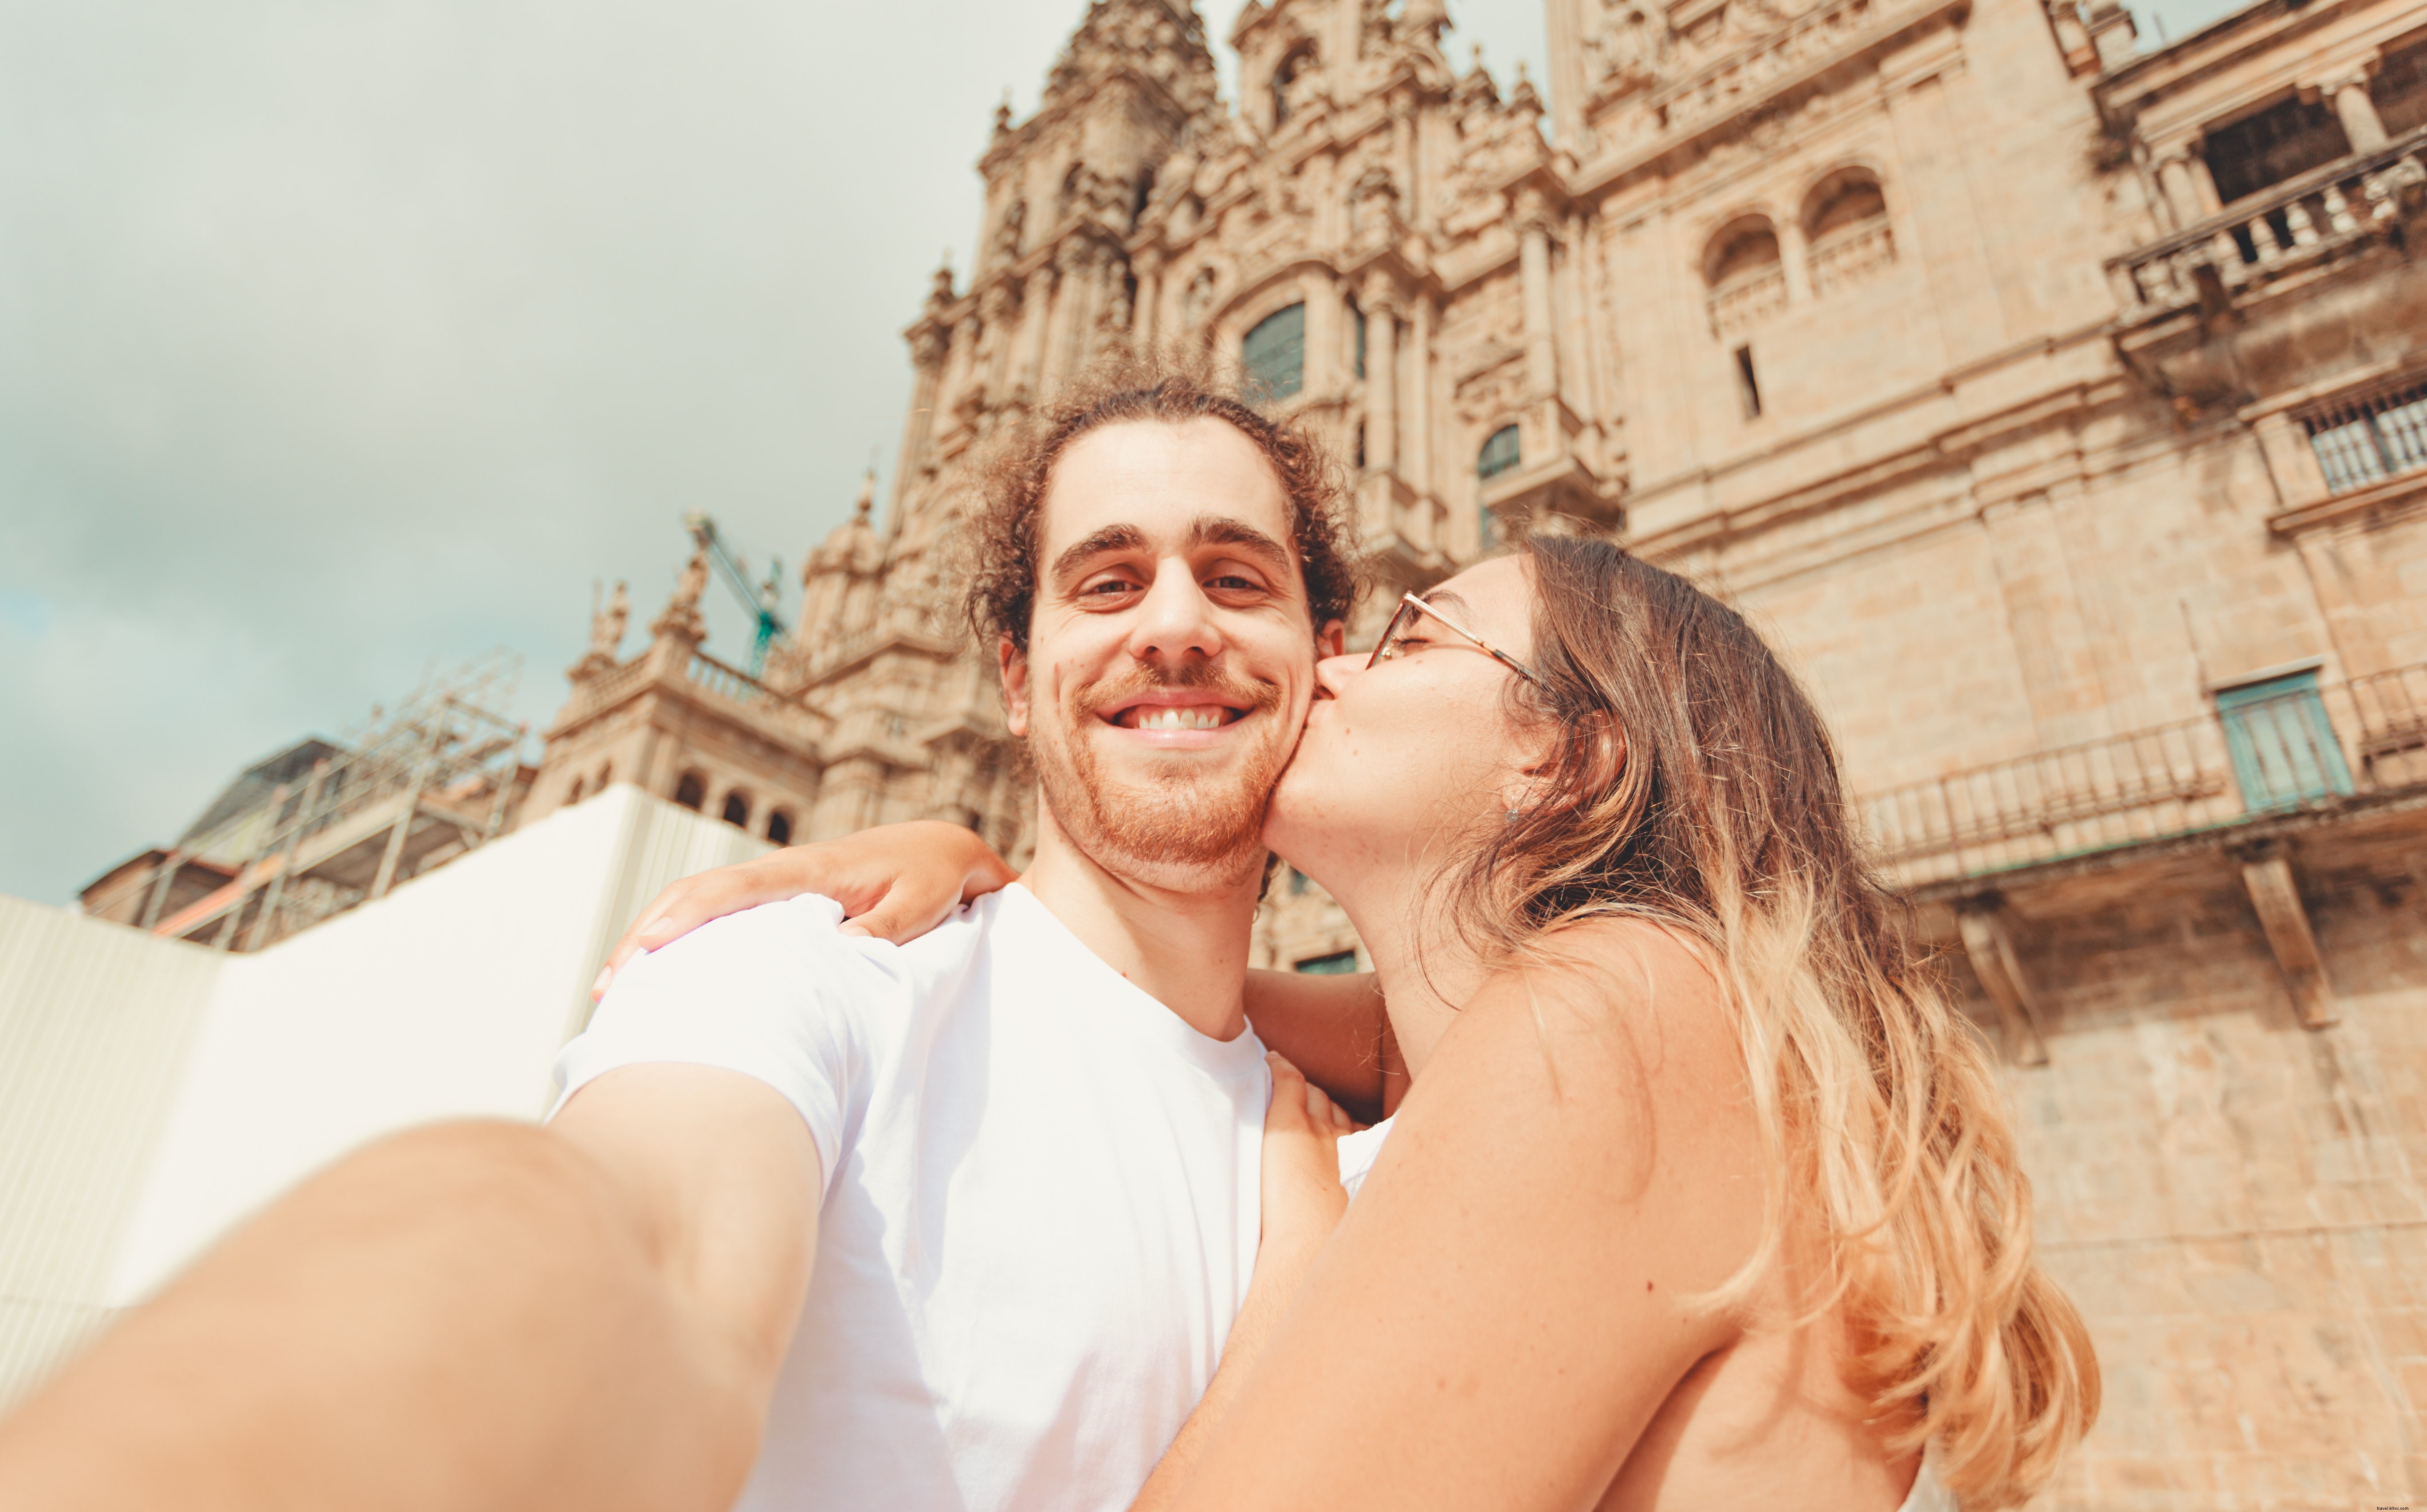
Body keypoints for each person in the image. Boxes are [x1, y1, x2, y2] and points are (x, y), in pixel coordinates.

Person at [0, 358, 1366, 1512]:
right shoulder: (805, 970)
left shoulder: (1368, 1124)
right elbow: (644, 1248)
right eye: (1110, 582)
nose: (1178, 626)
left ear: (1333, 650)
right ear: (1013, 675)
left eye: (1239, 579)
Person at [615, 534, 2103, 1511]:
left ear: (1568, 759)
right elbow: (1194, 1001)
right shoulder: (1595, 1033)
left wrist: (1303, 1273)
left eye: (1411, 640)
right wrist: (983, 868)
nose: (1324, 666)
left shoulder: (1613, 1021)